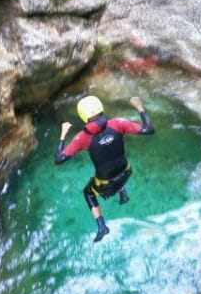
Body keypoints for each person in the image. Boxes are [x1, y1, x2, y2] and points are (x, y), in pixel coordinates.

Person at [54, 95, 155, 242]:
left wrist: (63, 133)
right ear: (101, 108)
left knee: (88, 193)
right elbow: (148, 129)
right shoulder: (117, 123)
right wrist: (139, 107)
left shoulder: (82, 138)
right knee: (116, 169)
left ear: (83, 116)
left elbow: (59, 159)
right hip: (126, 172)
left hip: (106, 183)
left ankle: (102, 226)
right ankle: (123, 194)